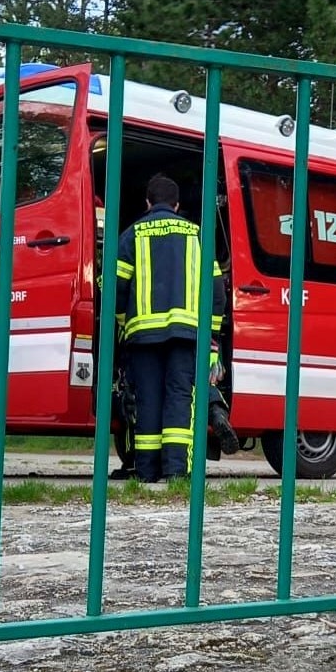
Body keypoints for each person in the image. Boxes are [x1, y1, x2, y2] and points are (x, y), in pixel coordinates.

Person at [114, 174, 228, 481]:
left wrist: (125, 327)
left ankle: (147, 471)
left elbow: (117, 289)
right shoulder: (197, 235)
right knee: (180, 398)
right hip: (187, 336)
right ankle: (177, 472)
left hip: (143, 337)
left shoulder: (131, 235)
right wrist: (211, 336)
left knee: (148, 399)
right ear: (177, 205)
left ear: (148, 203)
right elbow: (217, 293)